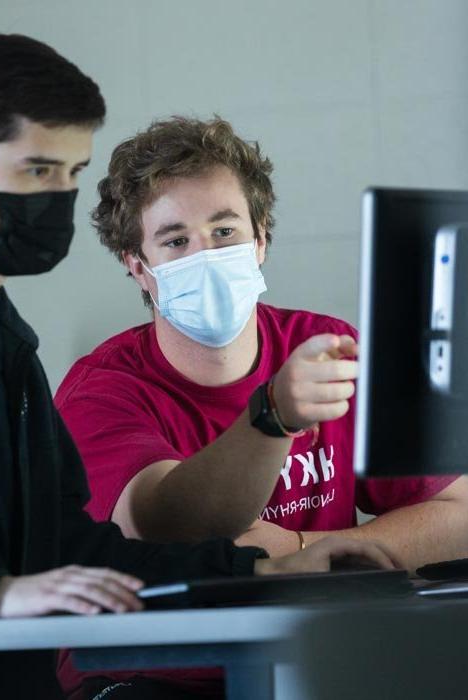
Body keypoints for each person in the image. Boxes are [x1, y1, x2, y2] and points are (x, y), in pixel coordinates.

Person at [0, 37, 395, 700]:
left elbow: (75, 552)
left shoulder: (5, 339)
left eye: (72, 173)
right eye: (38, 171)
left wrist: (269, 570)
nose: (60, 198)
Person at [55, 115, 468, 696]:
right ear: (137, 265)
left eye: (224, 232)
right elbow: (165, 526)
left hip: (316, 660)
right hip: (153, 674)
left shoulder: (329, 348)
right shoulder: (102, 390)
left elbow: (461, 512)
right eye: (175, 240)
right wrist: (275, 416)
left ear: (261, 240)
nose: (205, 254)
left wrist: (312, 558)